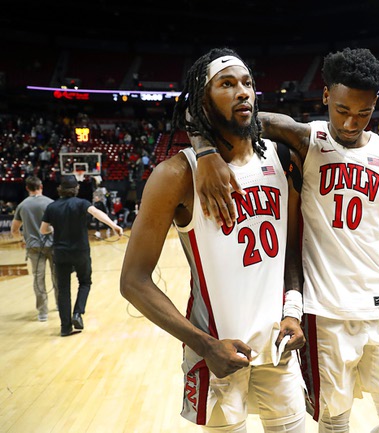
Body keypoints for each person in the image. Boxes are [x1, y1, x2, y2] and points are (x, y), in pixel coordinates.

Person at [190, 47, 379, 433]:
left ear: (376, 105)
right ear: (326, 96)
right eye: (342, 110)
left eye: (363, 113)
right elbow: (211, 111)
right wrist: (205, 150)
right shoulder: (305, 139)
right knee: (333, 425)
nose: (350, 122)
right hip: (324, 315)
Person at [119, 47, 307, 432]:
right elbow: (133, 282)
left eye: (248, 83)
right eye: (227, 84)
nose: (243, 92)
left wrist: (294, 310)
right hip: (217, 350)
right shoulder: (175, 175)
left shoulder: (281, 157)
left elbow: (289, 251)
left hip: (278, 345)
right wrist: (204, 345)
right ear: (204, 100)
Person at [40, 175, 123, 336]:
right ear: (76, 189)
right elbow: (97, 213)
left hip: (60, 253)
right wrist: (114, 226)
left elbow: (43, 230)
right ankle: (77, 313)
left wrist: (53, 229)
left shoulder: (52, 207)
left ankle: (65, 328)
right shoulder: (82, 203)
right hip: (80, 251)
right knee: (85, 282)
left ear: (60, 189)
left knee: (63, 289)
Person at [11, 175, 58, 322]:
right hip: (52, 245)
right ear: (41, 186)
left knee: (38, 279)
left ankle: (42, 312)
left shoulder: (22, 205)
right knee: (58, 276)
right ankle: (59, 305)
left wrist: (21, 238)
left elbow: (14, 229)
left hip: (33, 247)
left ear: (27, 188)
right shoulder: (51, 203)